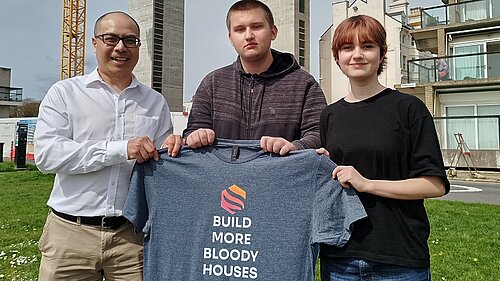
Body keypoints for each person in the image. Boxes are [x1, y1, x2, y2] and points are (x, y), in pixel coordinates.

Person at [34, 11, 174, 280]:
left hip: (131, 239)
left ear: (138, 48)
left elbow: (163, 167)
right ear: (94, 43)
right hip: (69, 236)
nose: (121, 47)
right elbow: (48, 155)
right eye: (111, 38)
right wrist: (121, 149)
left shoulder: (155, 102)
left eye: (130, 40)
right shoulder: (64, 94)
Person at [318, 15, 450, 281]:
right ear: (337, 57)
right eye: (347, 48)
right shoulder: (329, 115)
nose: (357, 55)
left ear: (381, 53)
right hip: (340, 258)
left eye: (367, 46)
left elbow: (434, 185)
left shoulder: (408, 109)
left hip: (399, 260)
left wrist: (367, 184)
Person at [164, 0, 326, 156]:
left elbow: (319, 133)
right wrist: (197, 136)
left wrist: (295, 146)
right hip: (223, 181)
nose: (249, 35)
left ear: (273, 32)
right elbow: (193, 130)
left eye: (256, 27)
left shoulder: (304, 84)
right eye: (240, 29)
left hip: (281, 178)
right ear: (230, 37)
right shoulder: (213, 83)